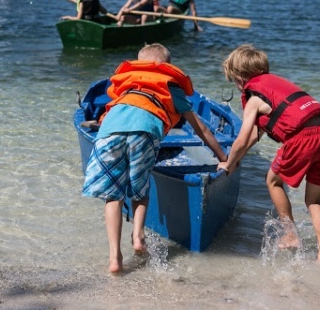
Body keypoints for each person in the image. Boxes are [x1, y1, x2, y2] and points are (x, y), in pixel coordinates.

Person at [82, 43, 228, 274]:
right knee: (140, 191)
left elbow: (113, 113)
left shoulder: (127, 85)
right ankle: (138, 235)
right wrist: (223, 157)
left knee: (113, 197)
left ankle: (115, 258)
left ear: (139, 64)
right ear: (168, 66)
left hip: (109, 132)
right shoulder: (171, 87)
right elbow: (202, 129)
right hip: (145, 132)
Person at [218, 44, 320, 267]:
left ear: (238, 78)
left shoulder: (254, 99)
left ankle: (290, 234)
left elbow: (243, 138)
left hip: (301, 140)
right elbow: (256, 134)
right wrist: (238, 160)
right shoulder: (277, 88)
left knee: (272, 181)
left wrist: (228, 163)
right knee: (314, 199)